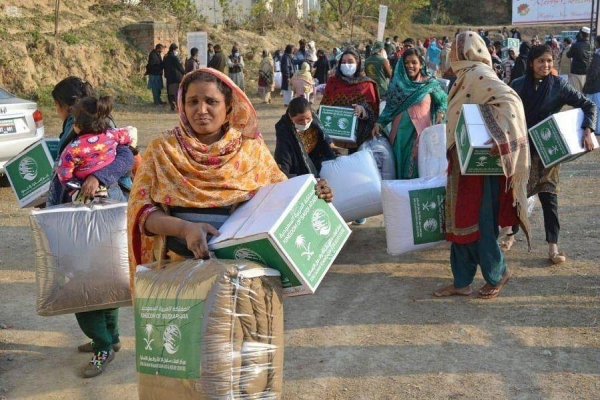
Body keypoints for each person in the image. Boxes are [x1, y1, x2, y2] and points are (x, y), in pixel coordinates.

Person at [127, 68, 333, 271]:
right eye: (193, 102)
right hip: (179, 272)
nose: (201, 110)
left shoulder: (250, 149)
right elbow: (141, 209)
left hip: (244, 272)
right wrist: (184, 229)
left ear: (228, 107)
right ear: (182, 106)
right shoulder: (162, 149)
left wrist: (313, 192)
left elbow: (280, 197)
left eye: (211, 101)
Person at [433, 31, 531, 300]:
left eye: (454, 48)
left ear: (465, 51)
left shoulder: (478, 73)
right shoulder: (464, 76)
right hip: (462, 164)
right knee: (459, 221)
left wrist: (497, 137)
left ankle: (498, 273)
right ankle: (461, 281)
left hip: (480, 167)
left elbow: (510, 102)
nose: (450, 53)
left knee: (480, 222)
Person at [48, 77, 133, 378]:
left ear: (64, 106)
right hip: (95, 213)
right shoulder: (91, 117)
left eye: (56, 107)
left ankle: (102, 347)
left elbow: (126, 156)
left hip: (93, 214)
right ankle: (111, 339)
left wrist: (99, 177)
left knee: (81, 285)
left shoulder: (88, 123)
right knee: (103, 279)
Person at [504, 45, 597, 263]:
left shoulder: (560, 85)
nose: (545, 65)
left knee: (549, 197)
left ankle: (552, 248)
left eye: (549, 61)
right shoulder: (517, 85)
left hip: (549, 150)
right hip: (523, 149)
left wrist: (588, 129)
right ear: (531, 63)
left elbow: (588, 105)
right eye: (541, 61)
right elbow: (504, 111)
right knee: (515, 195)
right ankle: (510, 234)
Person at [372, 48, 447, 179]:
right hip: (400, 136)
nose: (410, 66)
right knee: (399, 169)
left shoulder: (429, 83)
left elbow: (443, 100)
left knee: (421, 169)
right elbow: (390, 108)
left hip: (422, 136)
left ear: (421, 64)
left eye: (414, 62)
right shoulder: (397, 84)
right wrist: (379, 123)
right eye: (406, 62)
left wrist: (440, 113)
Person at [57, 96, 133, 200]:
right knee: (120, 214)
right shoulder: (113, 134)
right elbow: (128, 136)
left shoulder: (72, 149)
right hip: (112, 189)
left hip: (85, 194)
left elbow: (64, 174)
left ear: (78, 124)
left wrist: (75, 186)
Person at [320, 48, 380, 151]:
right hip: (333, 134)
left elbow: (373, 111)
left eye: (350, 61)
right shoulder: (333, 82)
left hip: (358, 136)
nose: (346, 64)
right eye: (343, 62)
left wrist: (362, 110)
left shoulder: (367, 84)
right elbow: (325, 105)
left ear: (358, 63)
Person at [274, 96, 336, 177]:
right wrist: (284, 175)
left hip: (317, 157)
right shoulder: (284, 129)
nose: (305, 122)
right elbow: (283, 156)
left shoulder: (313, 116)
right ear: (290, 116)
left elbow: (323, 133)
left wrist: (329, 142)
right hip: (299, 166)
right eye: (299, 120)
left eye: (308, 118)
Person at [567, 27, 592, 93]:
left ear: (581, 34)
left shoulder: (576, 45)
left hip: (576, 73)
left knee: (576, 93)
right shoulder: (590, 45)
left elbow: (568, 55)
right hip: (586, 72)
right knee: (584, 94)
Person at [584, 36, 600, 132]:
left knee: (594, 108)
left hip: (595, 87)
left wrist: (588, 82)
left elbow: (594, 71)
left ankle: (596, 129)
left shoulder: (598, 56)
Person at [163, 43, 185, 111]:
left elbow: (164, 66)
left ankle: (172, 104)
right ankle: (177, 105)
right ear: (174, 50)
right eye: (176, 50)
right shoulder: (174, 57)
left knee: (171, 92)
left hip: (169, 77)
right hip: (176, 77)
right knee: (177, 92)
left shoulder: (166, 57)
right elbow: (179, 66)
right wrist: (184, 72)